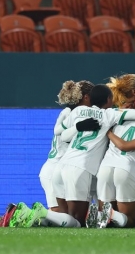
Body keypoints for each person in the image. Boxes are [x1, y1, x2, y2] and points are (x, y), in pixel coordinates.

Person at [19, 84, 135, 228]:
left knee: (63, 215)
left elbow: (63, 135)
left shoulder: (79, 110)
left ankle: (33, 216)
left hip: (60, 167)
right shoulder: (109, 114)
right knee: (77, 221)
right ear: (109, 99)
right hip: (79, 168)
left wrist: (79, 127)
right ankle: (44, 213)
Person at [91, 96, 135, 228]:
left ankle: (100, 214)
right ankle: (112, 214)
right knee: (130, 220)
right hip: (128, 169)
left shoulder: (118, 119)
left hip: (106, 167)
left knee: (106, 224)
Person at [39, 80, 94, 214]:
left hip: (61, 168)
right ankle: (25, 214)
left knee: (68, 217)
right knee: (60, 215)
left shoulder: (72, 111)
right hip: (55, 168)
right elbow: (58, 131)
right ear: (86, 96)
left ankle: (30, 215)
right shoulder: (71, 113)